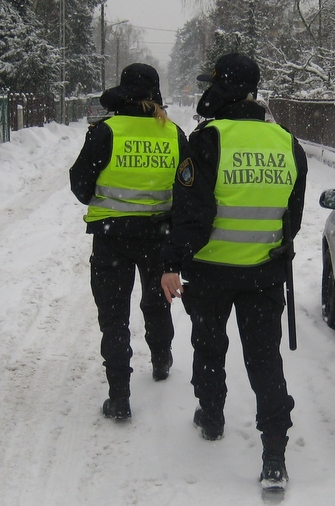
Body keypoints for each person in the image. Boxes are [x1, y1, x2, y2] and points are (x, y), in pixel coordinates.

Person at [160, 53, 308, 491]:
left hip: (209, 273)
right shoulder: (286, 142)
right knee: (265, 361)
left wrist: (172, 262)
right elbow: (291, 218)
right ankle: (275, 455)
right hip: (263, 275)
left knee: (209, 347)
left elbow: (191, 214)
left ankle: (211, 417)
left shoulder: (207, 141)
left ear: (222, 89)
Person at [70, 63, 190, 420]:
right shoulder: (174, 134)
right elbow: (187, 190)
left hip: (112, 238)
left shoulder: (105, 131)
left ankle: (119, 396)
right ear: (156, 96)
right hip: (158, 236)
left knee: (114, 316)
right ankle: (161, 358)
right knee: (156, 303)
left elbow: (80, 185)